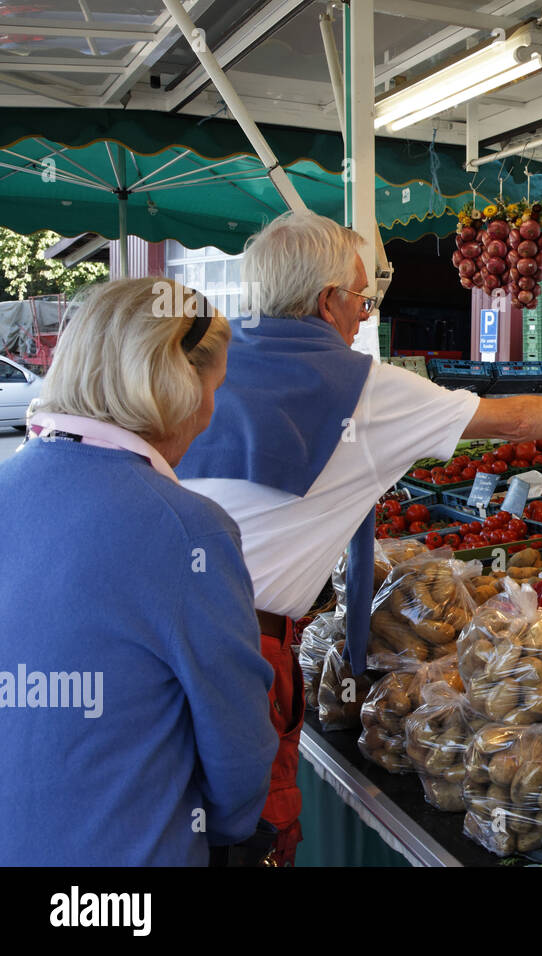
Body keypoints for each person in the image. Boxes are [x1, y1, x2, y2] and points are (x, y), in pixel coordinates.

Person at [176, 210, 542, 865]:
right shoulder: (356, 388)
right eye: (362, 299)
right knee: (251, 827)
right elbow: (507, 418)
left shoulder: (207, 365)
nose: (365, 317)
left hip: (162, 628)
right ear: (325, 300)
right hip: (238, 646)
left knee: (175, 810)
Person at [0, 279, 276, 866]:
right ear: (175, 387)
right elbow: (240, 750)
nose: (210, 413)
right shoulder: (189, 531)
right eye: (214, 388)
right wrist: (230, 830)